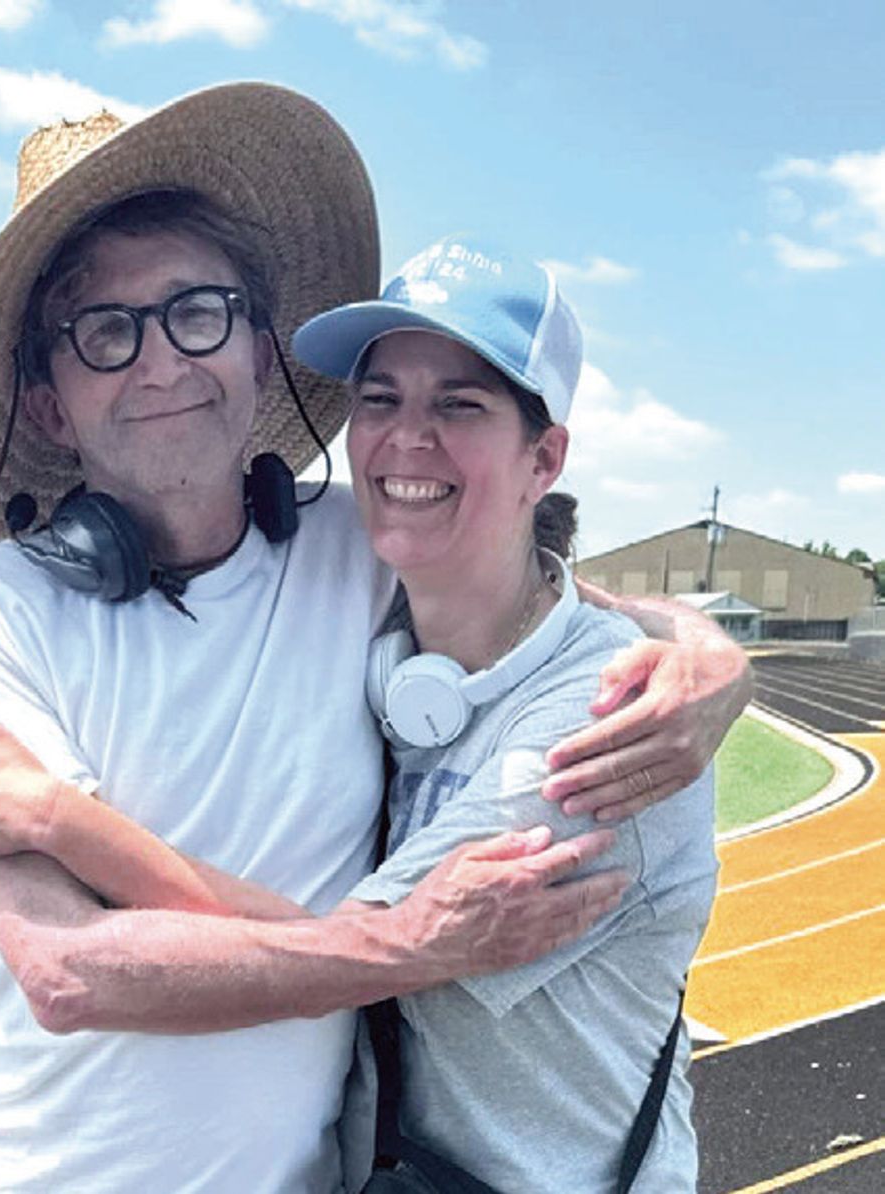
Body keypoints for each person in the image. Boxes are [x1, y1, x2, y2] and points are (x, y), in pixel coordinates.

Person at [0, 83, 748, 1193]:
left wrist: (713, 659)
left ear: (258, 350)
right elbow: (62, 968)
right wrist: (411, 944)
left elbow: (542, 580)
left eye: (195, 312)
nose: (159, 364)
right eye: (104, 333)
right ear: (49, 404)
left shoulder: (365, 546)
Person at [288, 237, 717, 1190]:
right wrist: (718, 654)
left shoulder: (611, 720)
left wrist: (53, 819)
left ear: (544, 458)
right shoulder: (376, 627)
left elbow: (327, 959)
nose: (408, 437)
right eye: (380, 399)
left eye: (460, 404)